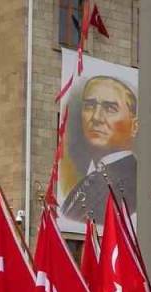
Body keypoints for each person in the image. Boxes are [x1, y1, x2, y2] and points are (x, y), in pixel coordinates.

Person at [63, 76, 138, 223]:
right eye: (90, 106)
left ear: (134, 126)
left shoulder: (132, 183)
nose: (96, 117)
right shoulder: (90, 177)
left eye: (110, 108)